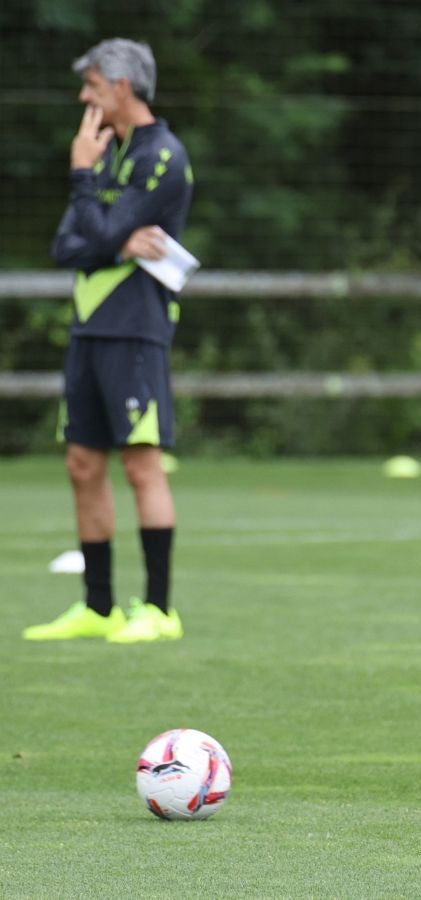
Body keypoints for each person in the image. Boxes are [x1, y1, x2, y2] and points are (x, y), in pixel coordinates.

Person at [23, 38, 194, 644]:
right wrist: (112, 235)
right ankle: (98, 608)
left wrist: (81, 178)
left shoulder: (163, 157)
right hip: (88, 330)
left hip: (136, 331)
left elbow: (96, 230)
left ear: (122, 88)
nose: (84, 98)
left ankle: (159, 610)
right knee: (81, 464)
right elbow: (69, 244)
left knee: (141, 463)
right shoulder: (106, 155)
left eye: (92, 86)